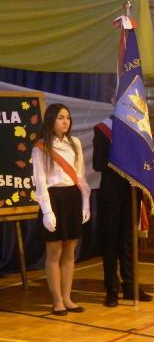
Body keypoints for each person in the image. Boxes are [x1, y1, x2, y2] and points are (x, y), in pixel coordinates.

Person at [32, 103, 91, 315]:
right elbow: (40, 181)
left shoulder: (75, 143)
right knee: (54, 252)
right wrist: (47, 211)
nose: (66, 121)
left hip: (72, 197)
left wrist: (85, 202)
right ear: (51, 120)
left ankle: (67, 297)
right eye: (60, 117)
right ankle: (57, 299)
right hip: (53, 198)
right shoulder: (40, 147)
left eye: (67, 117)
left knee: (70, 251)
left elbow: (80, 176)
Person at [93, 114, 154, 306]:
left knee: (129, 242)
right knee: (110, 241)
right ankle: (112, 289)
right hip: (111, 193)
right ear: (114, 101)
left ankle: (130, 286)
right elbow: (97, 163)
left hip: (131, 192)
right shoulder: (104, 129)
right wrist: (121, 157)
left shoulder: (137, 130)